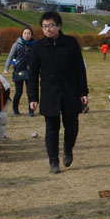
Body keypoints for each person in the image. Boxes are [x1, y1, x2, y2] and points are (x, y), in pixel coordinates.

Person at [26, 11, 89, 174]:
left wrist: (83, 92)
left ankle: (68, 149)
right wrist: (32, 97)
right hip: (49, 92)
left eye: (51, 25)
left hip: (70, 90)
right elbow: (32, 74)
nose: (48, 29)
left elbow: (80, 69)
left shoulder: (71, 43)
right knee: (51, 128)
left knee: (72, 126)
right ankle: (53, 161)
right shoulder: (38, 47)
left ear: (59, 26)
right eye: (45, 26)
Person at [4, 27, 35, 116]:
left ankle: (31, 110)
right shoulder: (17, 45)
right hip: (18, 72)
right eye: (25, 33)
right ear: (22, 34)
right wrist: (8, 67)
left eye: (29, 33)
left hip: (30, 71)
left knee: (30, 92)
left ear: (31, 35)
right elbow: (12, 57)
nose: (27, 35)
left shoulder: (34, 45)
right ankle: (15, 108)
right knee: (18, 92)